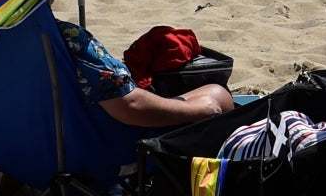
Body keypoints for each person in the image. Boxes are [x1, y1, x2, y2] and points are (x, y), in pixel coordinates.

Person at [58, 15, 236, 127]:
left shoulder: (32, 40)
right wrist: (196, 109)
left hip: (45, 146)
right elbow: (130, 106)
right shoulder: (69, 38)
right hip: (97, 142)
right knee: (218, 95)